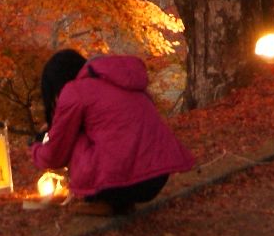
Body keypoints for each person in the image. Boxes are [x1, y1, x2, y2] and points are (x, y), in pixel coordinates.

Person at [31, 53, 195, 216]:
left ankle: (104, 200)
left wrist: (36, 148)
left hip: (118, 182)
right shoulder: (121, 80)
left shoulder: (75, 91)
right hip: (157, 177)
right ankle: (119, 202)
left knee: (76, 136)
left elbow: (55, 155)